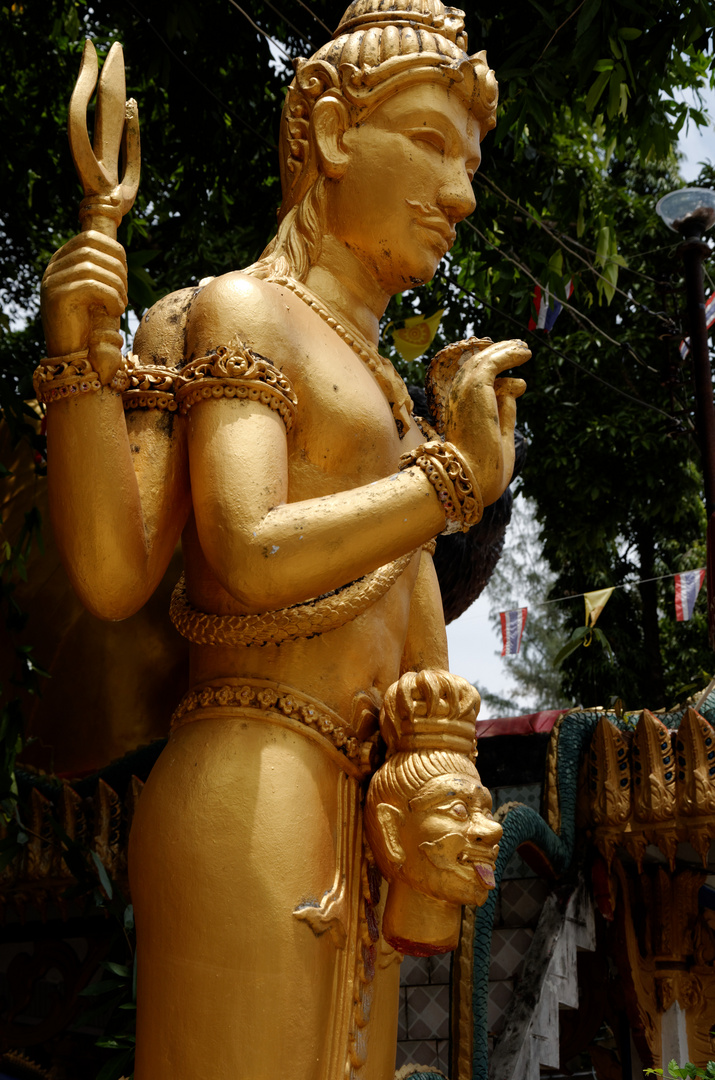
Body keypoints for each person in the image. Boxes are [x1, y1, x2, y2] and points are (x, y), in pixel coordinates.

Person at [37, 1, 529, 1076]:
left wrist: (435, 768)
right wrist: (79, 365)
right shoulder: (246, 313)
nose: (459, 194)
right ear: (338, 132)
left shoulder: (387, 381)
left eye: (470, 162)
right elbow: (231, 553)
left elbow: (408, 638)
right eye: (433, 144)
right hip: (254, 777)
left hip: (356, 799)